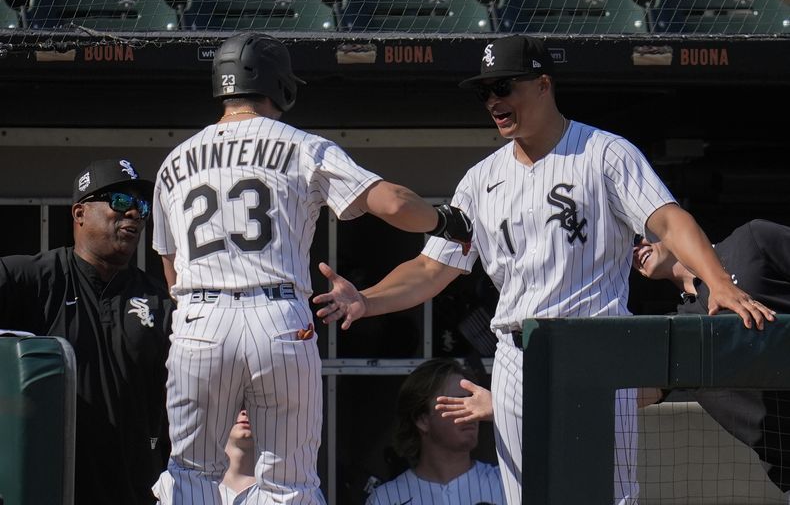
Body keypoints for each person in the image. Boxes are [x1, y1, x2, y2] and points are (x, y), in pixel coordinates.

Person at [313, 35, 775, 505]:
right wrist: (367, 300)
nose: (494, 100)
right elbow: (432, 268)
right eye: (484, 92)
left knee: (609, 496)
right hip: (519, 355)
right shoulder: (479, 179)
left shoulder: (605, 153)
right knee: (529, 498)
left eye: (505, 86)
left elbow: (668, 220)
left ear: (543, 85)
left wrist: (718, 282)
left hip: (599, 346)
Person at [151, 33, 472, 505]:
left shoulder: (173, 162)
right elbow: (391, 202)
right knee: (289, 483)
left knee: (192, 473)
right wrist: (444, 220)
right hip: (277, 316)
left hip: (199, 319)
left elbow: (172, 269)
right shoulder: (302, 145)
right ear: (277, 84)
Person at [0, 158, 172, 505]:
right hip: (50, 487)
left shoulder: (158, 298)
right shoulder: (36, 278)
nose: (135, 215)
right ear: (80, 214)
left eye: (141, 207)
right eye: (120, 203)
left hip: (135, 491)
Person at [633, 218, 790, 494]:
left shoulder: (751, 240)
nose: (635, 247)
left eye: (638, 233)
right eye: (624, 247)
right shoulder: (680, 330)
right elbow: (634, 392)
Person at [366, 358, 505, 505]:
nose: (472, 412)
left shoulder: (507, 484)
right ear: (422, 420)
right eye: (457, 404)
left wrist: (499, 413)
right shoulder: (384, 499)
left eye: (472, 402)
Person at [153, 409, 259, 505]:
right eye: (238, 404)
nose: (244, 412)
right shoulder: (173, 481)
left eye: (250, 404)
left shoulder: (273, 484)